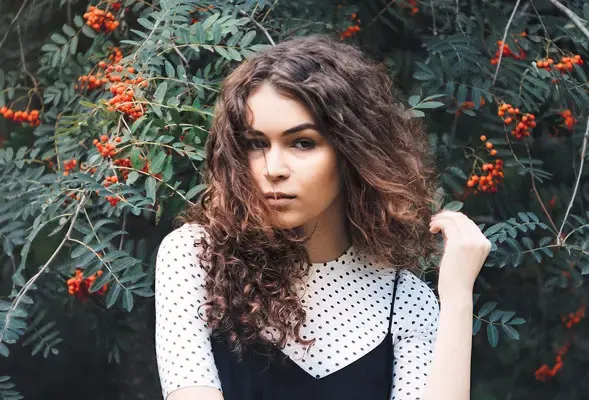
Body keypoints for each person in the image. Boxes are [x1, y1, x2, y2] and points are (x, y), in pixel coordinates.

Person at [154, 34, 491, 400]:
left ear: (353, 152)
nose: (273, 168)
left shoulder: (404, 300)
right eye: (256, 143)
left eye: (302, 143)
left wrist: (457, 297)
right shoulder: (196, 257)